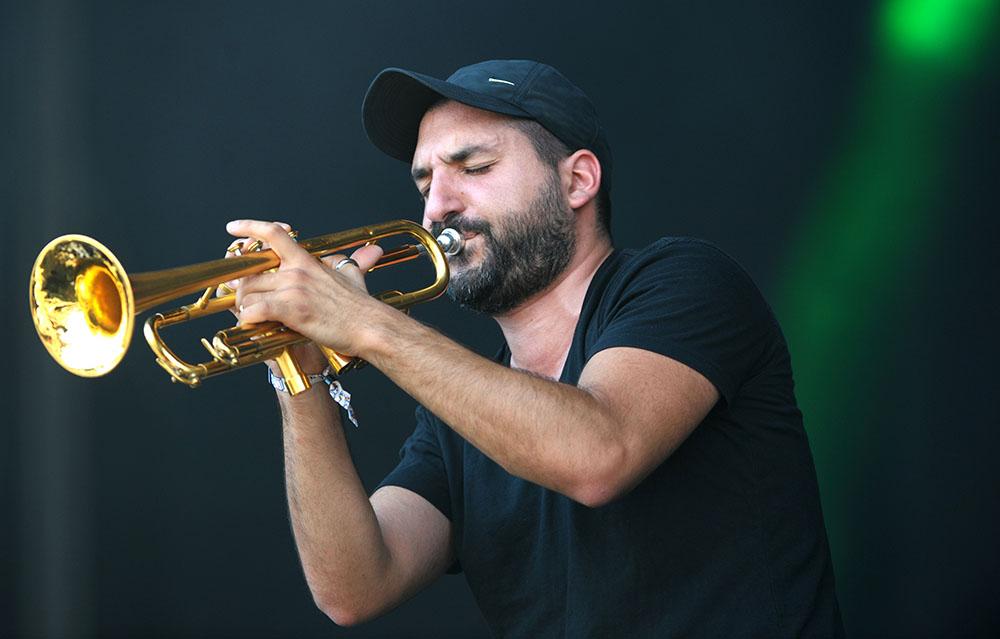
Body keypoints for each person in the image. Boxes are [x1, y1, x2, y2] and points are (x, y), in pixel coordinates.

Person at [226, 59, 844, 637]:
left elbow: (598, 454)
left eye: (473, 168)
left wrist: (362, 321)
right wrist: (297, 372)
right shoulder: (456, 417)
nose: (436, 207)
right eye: (425, 182)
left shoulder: (687, 282)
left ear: (577, 180)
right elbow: (355, 587)